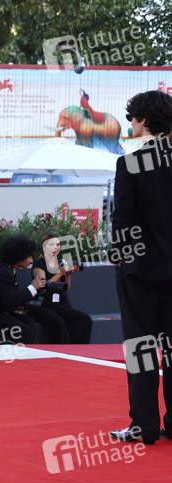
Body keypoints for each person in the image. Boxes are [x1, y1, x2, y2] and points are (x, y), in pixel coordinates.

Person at [109, 90, 172, 445]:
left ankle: (144, 425)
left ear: (144, 121)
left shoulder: (131, 164)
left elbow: (124, 222)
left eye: (132, 118)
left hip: (140, 271)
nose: (131, 123)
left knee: (141, 349)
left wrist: (120, 259)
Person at [0, 235, 45, 345]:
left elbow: (7, 299)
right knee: (25, 331)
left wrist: (18, 305)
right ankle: (13, 354)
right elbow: (8, 301)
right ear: (20, 256)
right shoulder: (3, 272)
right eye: (29, 257)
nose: (31, 260)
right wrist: (33, 287)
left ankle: (24, 352)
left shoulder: (7, 269)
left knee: (29, 322)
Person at [30, 233, 92, 344]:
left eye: (58, 245)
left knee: (85, 319)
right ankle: (64, 350)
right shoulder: (39, 265)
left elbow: (65, 290)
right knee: (59, 322)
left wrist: (67, 274)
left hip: (58, 305)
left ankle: (79, 350)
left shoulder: (59, 263)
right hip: (43, 306)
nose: (55, 248)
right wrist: (60, 272)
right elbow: (42, 286)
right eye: (52, 245)